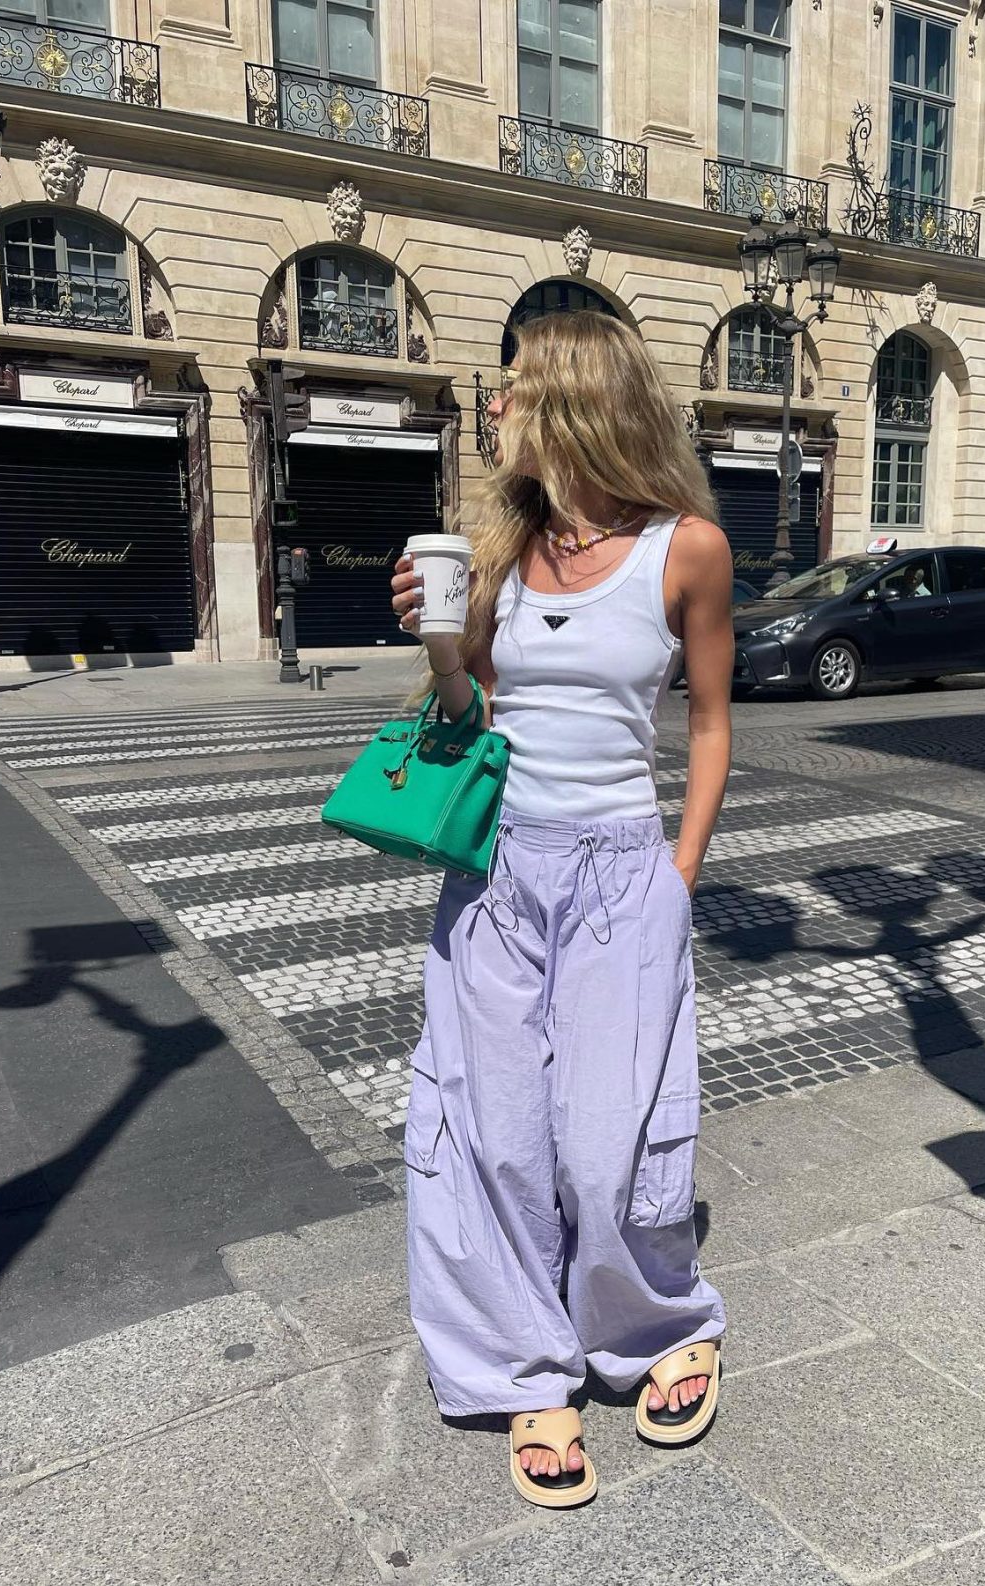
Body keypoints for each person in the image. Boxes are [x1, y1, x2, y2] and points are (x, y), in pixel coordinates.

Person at [390, 310, 731, 1509]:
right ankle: (529, 1360)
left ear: (574, 399)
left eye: (511, 388)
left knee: (605, 1140)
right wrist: (440, 644)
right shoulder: (497, 552)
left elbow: (709, 723)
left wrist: (676, 876)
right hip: (497, 871)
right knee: (498, 1134)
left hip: (622, 869)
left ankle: (654, 1323)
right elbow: (464, 719)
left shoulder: (687, 549)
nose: (491, 409)